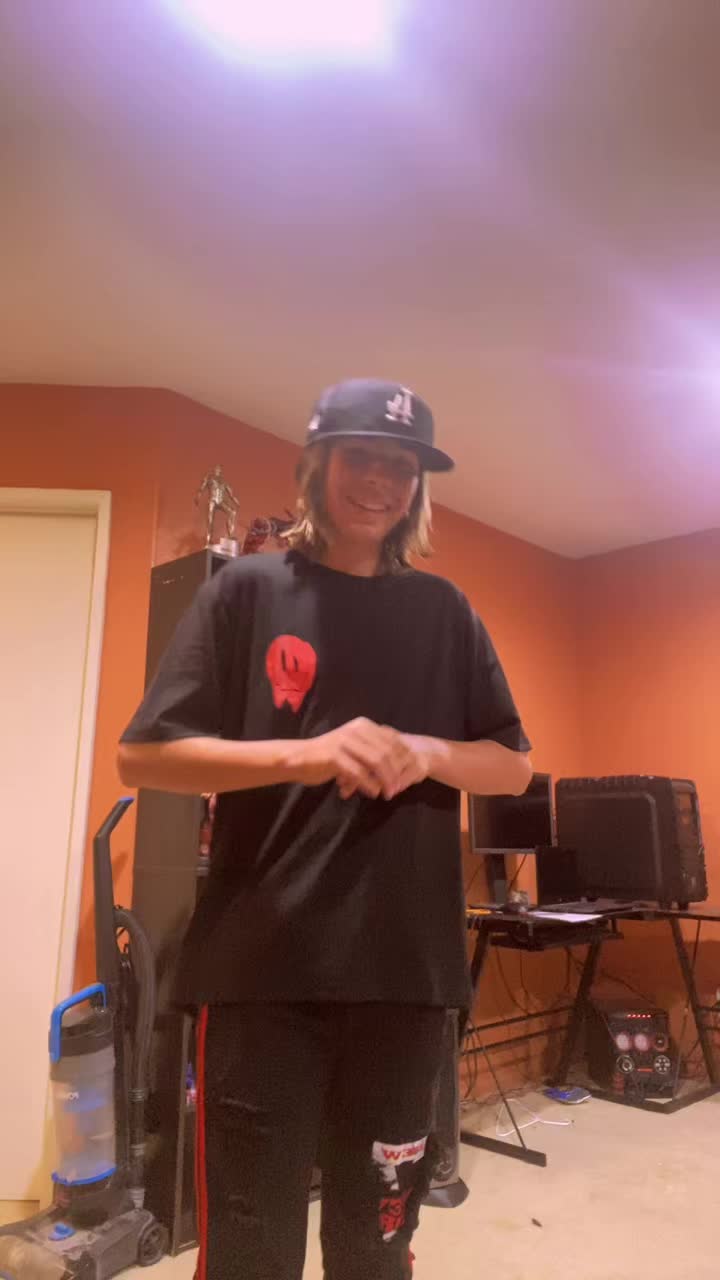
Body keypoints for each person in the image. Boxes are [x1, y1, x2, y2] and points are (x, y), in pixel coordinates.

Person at [118, 378, 532, 1280]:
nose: (381, 482)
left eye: (402, 467)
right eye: (360, 458)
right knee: (249, 1252)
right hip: (261, 974)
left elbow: (513, 766)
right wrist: (307, 754)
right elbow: (143, 758)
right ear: (317, 466)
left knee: (374, 1248)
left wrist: (426, 750)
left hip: (406, 978)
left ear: (418, 487)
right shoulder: (247, 592)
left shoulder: (446, 611)